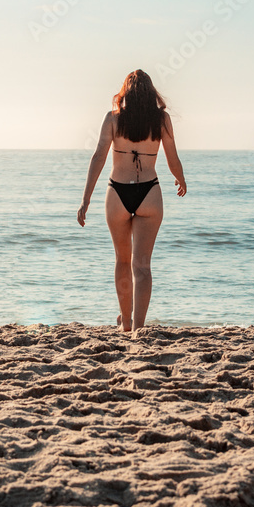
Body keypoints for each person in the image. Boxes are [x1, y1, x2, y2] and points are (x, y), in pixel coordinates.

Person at [77, 70, 186, 334]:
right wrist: (181, 180)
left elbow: (98, 158)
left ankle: (125, 324)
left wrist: (86, 199)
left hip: (117, 193)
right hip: (149, 193)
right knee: (143, 266)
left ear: (125, 92)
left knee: (123, 261)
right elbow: (172, 158)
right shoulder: (162, 120)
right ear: (151, 93)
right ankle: (139, 327)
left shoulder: (113, 119)